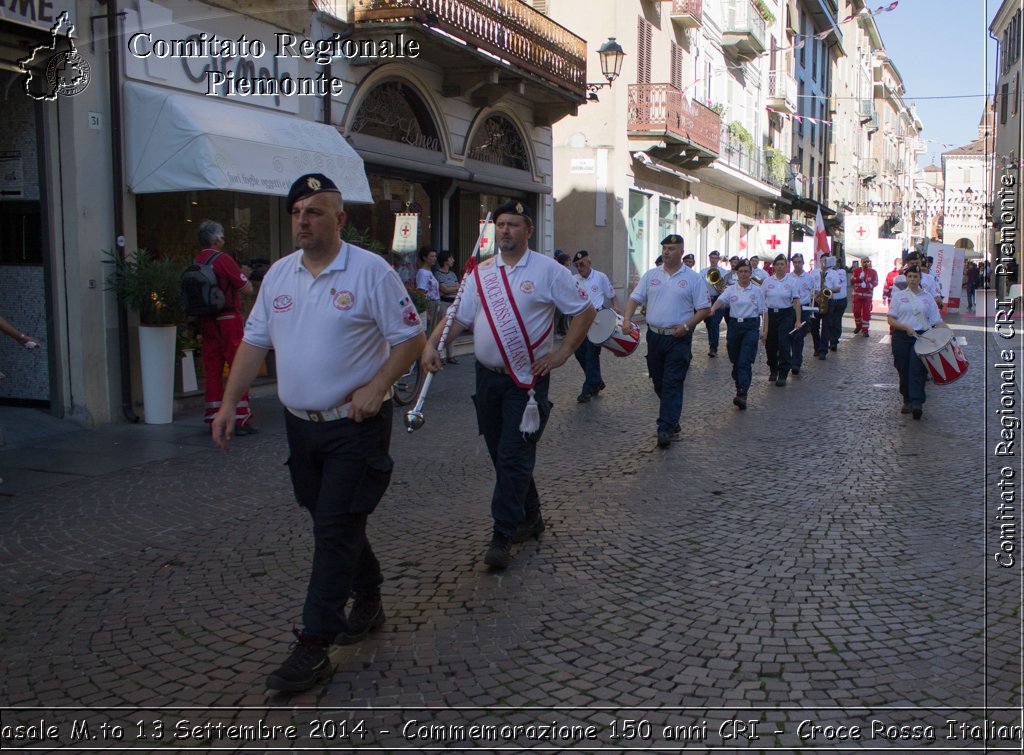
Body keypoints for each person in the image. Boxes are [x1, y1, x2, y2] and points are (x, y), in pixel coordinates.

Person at [211, 173, 425, 693]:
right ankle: (368, 592)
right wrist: (228, 401)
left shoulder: (370, 271)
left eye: (315, 212)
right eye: (297, 212)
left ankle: (313, 647)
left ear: (339, 219)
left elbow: (411, 337)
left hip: (355, 427)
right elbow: (255, 343)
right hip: (300, 430)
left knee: (333, 529)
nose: (303, 221)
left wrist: (377, 386)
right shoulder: (280, 276)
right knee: (331, 519)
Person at [421, 201, 595, 570]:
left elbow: (585, 311)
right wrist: (433, 344)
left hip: (526, 382)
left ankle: (503, 532)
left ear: (527, 230)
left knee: (513, 455)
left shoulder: (549, 271)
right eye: (500, 225)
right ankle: (531, 515)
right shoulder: (482, 273)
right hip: (487, 378)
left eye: (513, 225)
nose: (505, 231)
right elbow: (458, 317)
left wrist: (564, 351)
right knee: (501, 452)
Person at [622, 234, 711, 448]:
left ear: (681, 251)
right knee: (658, 380)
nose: (666, 252)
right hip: (654, 336)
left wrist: (687, 326)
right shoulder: (651, 275)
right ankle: (672, 418)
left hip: (678, 337)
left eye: (671, 248)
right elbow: (635, 298)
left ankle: (664, 428)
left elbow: (705, 309)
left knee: (672, 381)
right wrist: (626, 319)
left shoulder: (692, 278)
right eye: (664, 248)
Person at [195, 220, 257, 433]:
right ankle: (240, 417)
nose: (223, 240)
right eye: (222, 237)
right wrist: (245, 275)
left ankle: (213, 415)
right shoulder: (223, 259)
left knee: (212, 368)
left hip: (207, 321)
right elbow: (246, 289)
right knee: (238, 365)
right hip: (228, 319)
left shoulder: (198, 260)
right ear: (217, 239)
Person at [886, 265, 945, 420]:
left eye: (915, 276)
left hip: (921, 337)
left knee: (917, 369)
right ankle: (907, 399)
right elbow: (890, 319)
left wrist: (947, 335)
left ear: (920, 278)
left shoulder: (927, 298)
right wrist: (904, 327)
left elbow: (936, 321)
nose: (912, 279)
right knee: (902, 367)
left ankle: (917, 402)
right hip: (902, 336)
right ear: (906, 278)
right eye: (910, 276)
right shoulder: (899, 297)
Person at [709, 259, 765, 409]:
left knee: (744, 361)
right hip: (734, 326)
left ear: (750, 273)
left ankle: (742, 393)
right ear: (737, 273)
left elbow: (763, 312)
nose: (743, 274)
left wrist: (764, 331)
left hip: (750, 326)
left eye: (746, 271)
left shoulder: (757, 291)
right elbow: (721, 300)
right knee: (735, 360)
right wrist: (713, 309)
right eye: (741, 271)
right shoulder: (731, 289)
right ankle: (739, 382)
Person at [572, 250, 618, 403]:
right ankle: (596, 380)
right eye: (577, 265)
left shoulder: (600, 277)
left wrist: (616, 313)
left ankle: (587, 390)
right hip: (579, 321)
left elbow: (612, 296)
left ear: (589, 262)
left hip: (597, 320)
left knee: (591, 355)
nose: (579, 267)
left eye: (582, 264)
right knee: (579, 353)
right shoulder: (573, 280)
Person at [761, 254, 802, 386]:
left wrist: (798, 320)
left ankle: (783, 372)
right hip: (771, 314)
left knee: (784, 342)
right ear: (774, 266)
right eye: (777, 264)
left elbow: (796, 301)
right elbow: (762, 301)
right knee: (770, 344)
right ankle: (773, 368)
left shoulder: (791, 282)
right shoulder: (767, 282)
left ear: (786, 266)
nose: (779, 267)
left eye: (782, 264)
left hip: (786, 314)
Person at [787, 253, 815, 375]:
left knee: (798, 335)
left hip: (804, 309)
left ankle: (796, 363)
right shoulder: (788, 277)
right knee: (790, 336)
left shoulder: (809, 278)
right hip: (790, 309)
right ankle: (792, 359)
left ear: (803, 263)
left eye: (799, 262)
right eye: (795, 262)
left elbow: (814, 293)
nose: (797, 264)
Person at [433, 250, 461, 363]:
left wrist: (450, 290)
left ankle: (451, 355)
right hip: (444, 303)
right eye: (451, 258)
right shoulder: (437, 274)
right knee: (443, 329)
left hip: (453, 302)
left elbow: (459, 287)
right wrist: (450, 290)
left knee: (452, 329)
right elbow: (444, 289)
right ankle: (439, 355)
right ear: (445, 260)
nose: (453, 260)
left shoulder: (453, 274)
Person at [699, 250, 729, 357]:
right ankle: (712, 343)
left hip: (718, 299)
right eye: (712, 258)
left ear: (718, 259)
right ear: (709, 259)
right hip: (706, 300)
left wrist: (721, 289)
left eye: (716, 258)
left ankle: (713, 348)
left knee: (714, 323)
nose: (713, 260)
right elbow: (700, 287)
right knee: (708, 323)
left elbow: (726, 287)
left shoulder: (724, 272)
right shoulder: (703, 272)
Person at [819, 255, 847, 354]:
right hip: (817, 301)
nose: (824, 262)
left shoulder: (835, 273)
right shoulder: (815, 273)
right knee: (815, 327)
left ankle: (825, 348)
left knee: (828, 324)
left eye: (826, 260)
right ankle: (818, 346)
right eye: (823, 260)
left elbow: (838, 288)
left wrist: (827, 290)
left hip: (830, 300)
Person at [416, 245, 443, 334]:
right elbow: (421, 292)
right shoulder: (423, 273)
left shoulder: (429, 272)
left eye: (435, 256)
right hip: (429, 304)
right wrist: (425, 312)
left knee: (433, 330)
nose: (434, 258)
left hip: (435, 303)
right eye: (432, 256)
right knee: (428, 331)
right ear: (425, 258)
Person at [851, 257, 879, 337]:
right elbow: (852, 280)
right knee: (856, 312)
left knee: (866, 313)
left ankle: (865, 330)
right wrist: (859, 278)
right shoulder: (857, 271)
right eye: (864, 262)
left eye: (867, 262)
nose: (866, 263)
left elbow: (875, 282)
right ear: (861, 262)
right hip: (857, 295)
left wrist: (867, 285)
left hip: (867, 296)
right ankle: (858, 325)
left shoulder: (873, 272)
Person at [554, 251, 572, 336]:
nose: (569, 262)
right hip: (562, 297)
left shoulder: (557, 269)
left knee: (561, 316)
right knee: (560, 316)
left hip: (559, 297)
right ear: (565, 261)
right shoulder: (565, 271)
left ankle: (559, 331)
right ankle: (559, 332)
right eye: (568, 260)